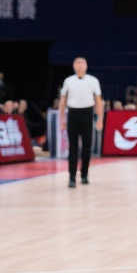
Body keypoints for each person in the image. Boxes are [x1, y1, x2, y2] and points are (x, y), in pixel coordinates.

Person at [58, 57, 103, 188]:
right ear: (73, 66)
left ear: (86, 65)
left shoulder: (93, 80)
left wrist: (100, 119)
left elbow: (98, 101)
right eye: (77, 63)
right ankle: (72, 177)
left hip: (87, 113)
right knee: (73, 147)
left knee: (87, 147)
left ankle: (84, 174)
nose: (80, 65)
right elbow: (62, 101)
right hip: (73, 114)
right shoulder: (68, 81)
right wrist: (62, 119)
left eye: (82, 63)